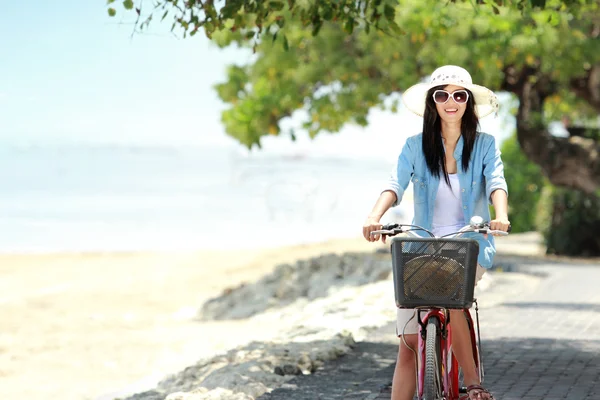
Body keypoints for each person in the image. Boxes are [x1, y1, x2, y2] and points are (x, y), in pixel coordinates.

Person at [362, 65, 510, 400]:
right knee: (408, 343)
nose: (451, 101)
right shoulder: (414, 146)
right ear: (433, 102)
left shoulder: (485, 145)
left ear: (468, 102)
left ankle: (473, 384)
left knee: (454, 302)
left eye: (459, 95)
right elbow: (395, 184)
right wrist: (374, 216)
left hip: (468, 242)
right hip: (422, 244)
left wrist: (500, 216)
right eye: (442, 94)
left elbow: (496, 183)